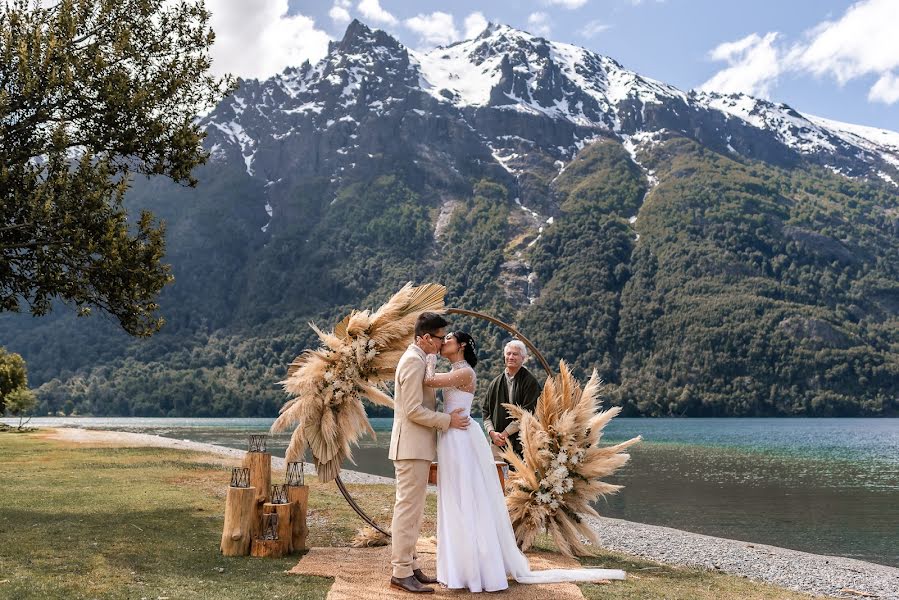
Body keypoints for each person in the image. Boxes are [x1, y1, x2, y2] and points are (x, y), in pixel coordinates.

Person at [424, 331, 625, 593]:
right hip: (461, 434)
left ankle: (476, 565)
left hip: (478, 438)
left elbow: (429, 381)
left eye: (448, 338)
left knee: (469, 496)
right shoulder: (487, 379)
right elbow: (485, 409)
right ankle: (460, 565)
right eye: (508, 353)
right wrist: (492, 431)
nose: (443, 341)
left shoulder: (466, 372)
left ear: (461, 346)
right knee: (458, 496)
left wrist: (427, 353)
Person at [388, 312, 470, 594]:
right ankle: (400, 571)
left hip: (417, 446)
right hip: (410, 447)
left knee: (414, 509)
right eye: (437, 338)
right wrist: (448, 421)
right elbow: (412, 409)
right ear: (424, 338)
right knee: (408, 509)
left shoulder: (421, 359)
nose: (440, 343)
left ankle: (409, 565)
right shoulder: (412, 361)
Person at [482, 340, 540, 461]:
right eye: (508, 354)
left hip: (523, 445)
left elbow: (527, 413)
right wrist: (492, 433)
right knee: (497, 479)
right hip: (497, 445)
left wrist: (505, 433)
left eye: (515, 354)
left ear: (523, 358)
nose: (511, 357)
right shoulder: (495, 383)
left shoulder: (530, 382)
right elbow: (486, 412)